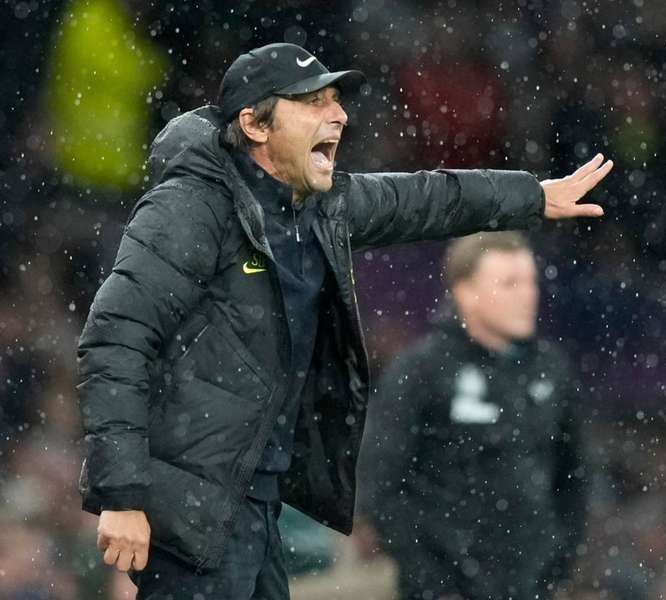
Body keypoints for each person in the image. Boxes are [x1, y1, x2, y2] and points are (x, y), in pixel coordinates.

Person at [75, 42, 612, 599]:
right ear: (255, 125)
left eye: (336, 100)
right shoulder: (190, 207)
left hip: (253, 498)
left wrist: (532, 195)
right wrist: (121, 493)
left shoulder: (316, 207)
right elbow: (114, 340)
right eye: (312, 102)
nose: (339, 114)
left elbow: (427, 198)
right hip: (196, 500)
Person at [358, 232, 586, 600]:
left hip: (530, 586)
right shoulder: (420, 371)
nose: (528, 294)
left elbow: (574, 479)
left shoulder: (551, 370)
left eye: (530, 281)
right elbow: (380, 485)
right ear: (466, 293)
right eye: (510, 283)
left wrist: (558, 566)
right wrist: (429, 575)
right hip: (442, 589)